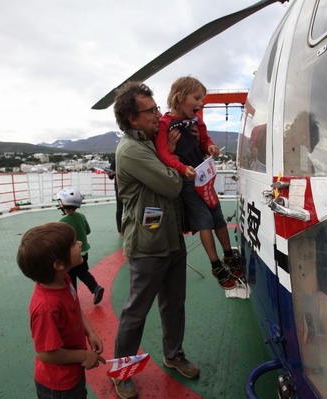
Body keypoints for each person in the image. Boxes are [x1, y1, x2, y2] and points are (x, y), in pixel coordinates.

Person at [111, 81, 199, 399]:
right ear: (132, 119)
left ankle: (173, 355)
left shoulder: (150, 142)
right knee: (136, 312)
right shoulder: (132, 150)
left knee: (174, 304)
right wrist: (172, 159)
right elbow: (172, 185)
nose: (157, 115)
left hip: (171, 238)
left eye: (156, 108)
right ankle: (121, 372)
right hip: (148, 247)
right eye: (150, 111)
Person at [155, 75, 242, 290]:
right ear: (180, 97)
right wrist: (182, 168)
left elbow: (205, 140)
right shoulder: (164, 124)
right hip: (187, 181)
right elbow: (164, 154)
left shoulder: (196, 121)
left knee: (217, 217)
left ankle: (228, 255)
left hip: (204, 177)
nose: (201, 103)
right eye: (197, 98)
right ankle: (216, 265)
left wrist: (210, 147)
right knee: (204, 221)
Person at [16, 222, 105, 398]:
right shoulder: (46, 307)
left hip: (73, 374)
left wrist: (90, 332)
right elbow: (45, 354)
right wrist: (83, 356)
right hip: (59, 386)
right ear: (58, 264)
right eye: (73, 244)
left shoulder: (64, 281)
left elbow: (76, 306)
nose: (79, 243)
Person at [56, 187, 105, 305]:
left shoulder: (62, 222)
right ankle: (95, 288)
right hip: (84, 252)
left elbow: (61, 241)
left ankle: (73, 298)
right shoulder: (82, 216)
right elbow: (87, 231)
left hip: (71, 255)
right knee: (83, 273)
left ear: (63, 204)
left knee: (70, 277)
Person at [105, 159, 124, 239]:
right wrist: (110, 174)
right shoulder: (115, 160)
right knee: (119, 209)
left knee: (131, 208)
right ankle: (120, 231)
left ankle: (131, 229)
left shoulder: (130, 155)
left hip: (130, 187)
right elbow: (111, 177)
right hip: (119, 188)